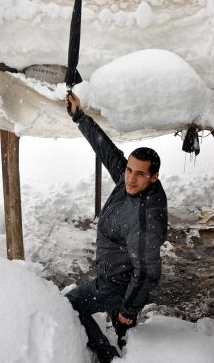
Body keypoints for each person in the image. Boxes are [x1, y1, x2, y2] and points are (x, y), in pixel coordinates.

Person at [65, 92, 168, 363]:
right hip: (117, 270)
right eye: (129, 170)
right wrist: (80, 117)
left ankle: (107, 356)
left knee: (70, 306)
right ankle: (126, 344)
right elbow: (107, 151)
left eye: (140, 173)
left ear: (154, 176)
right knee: (122, 324)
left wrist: (130, 308)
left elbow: (147, 272)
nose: (131, 178)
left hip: (118, 284)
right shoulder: (131, 180)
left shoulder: (144, 219)